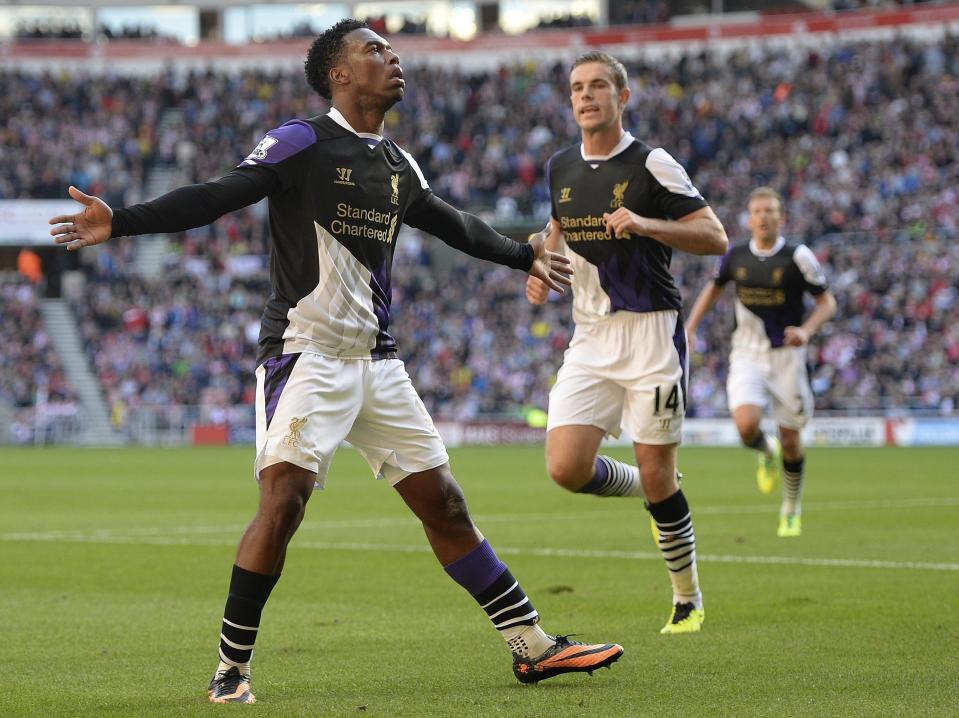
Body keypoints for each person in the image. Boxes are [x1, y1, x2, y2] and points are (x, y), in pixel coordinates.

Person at [49, 19, 623, 704]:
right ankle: (231, 671)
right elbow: (218, 194)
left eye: (391, 48)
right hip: (306, 355)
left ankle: (531, 646)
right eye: (374, 50)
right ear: (339, 74)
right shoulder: (300, 141)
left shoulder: (396, 163)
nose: (393, 57)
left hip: (378, 363)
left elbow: (452, 224)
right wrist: (124, 222)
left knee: (443, 502)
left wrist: (522, 251)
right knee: (284, 500)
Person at [526, 52, 728, 635]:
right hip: (589, 337)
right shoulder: (560, 166)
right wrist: (542, 267)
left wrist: (646, 224)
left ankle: (687, 600)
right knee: (566, 468)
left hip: (651, 334)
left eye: (597, 87)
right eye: (576, 89)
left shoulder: (653, 163)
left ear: (623, 96)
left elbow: (715, 237)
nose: (585, 96)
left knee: (660, 475)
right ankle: (650, 482)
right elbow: (558, 232)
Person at [685, 186, 836, 537]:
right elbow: (714, 287)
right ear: (749, 219)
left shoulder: (799, 257)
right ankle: (764, 452)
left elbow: (827, 302)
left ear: (781, 217)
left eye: (770, 211)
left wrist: (807, 331)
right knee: (746, 426)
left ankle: (791, 507)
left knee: (791, 440)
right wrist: (691, 326)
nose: (763, 217)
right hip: (748, 354)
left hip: (787, 356)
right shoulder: (735, 255)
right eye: (757, 211)